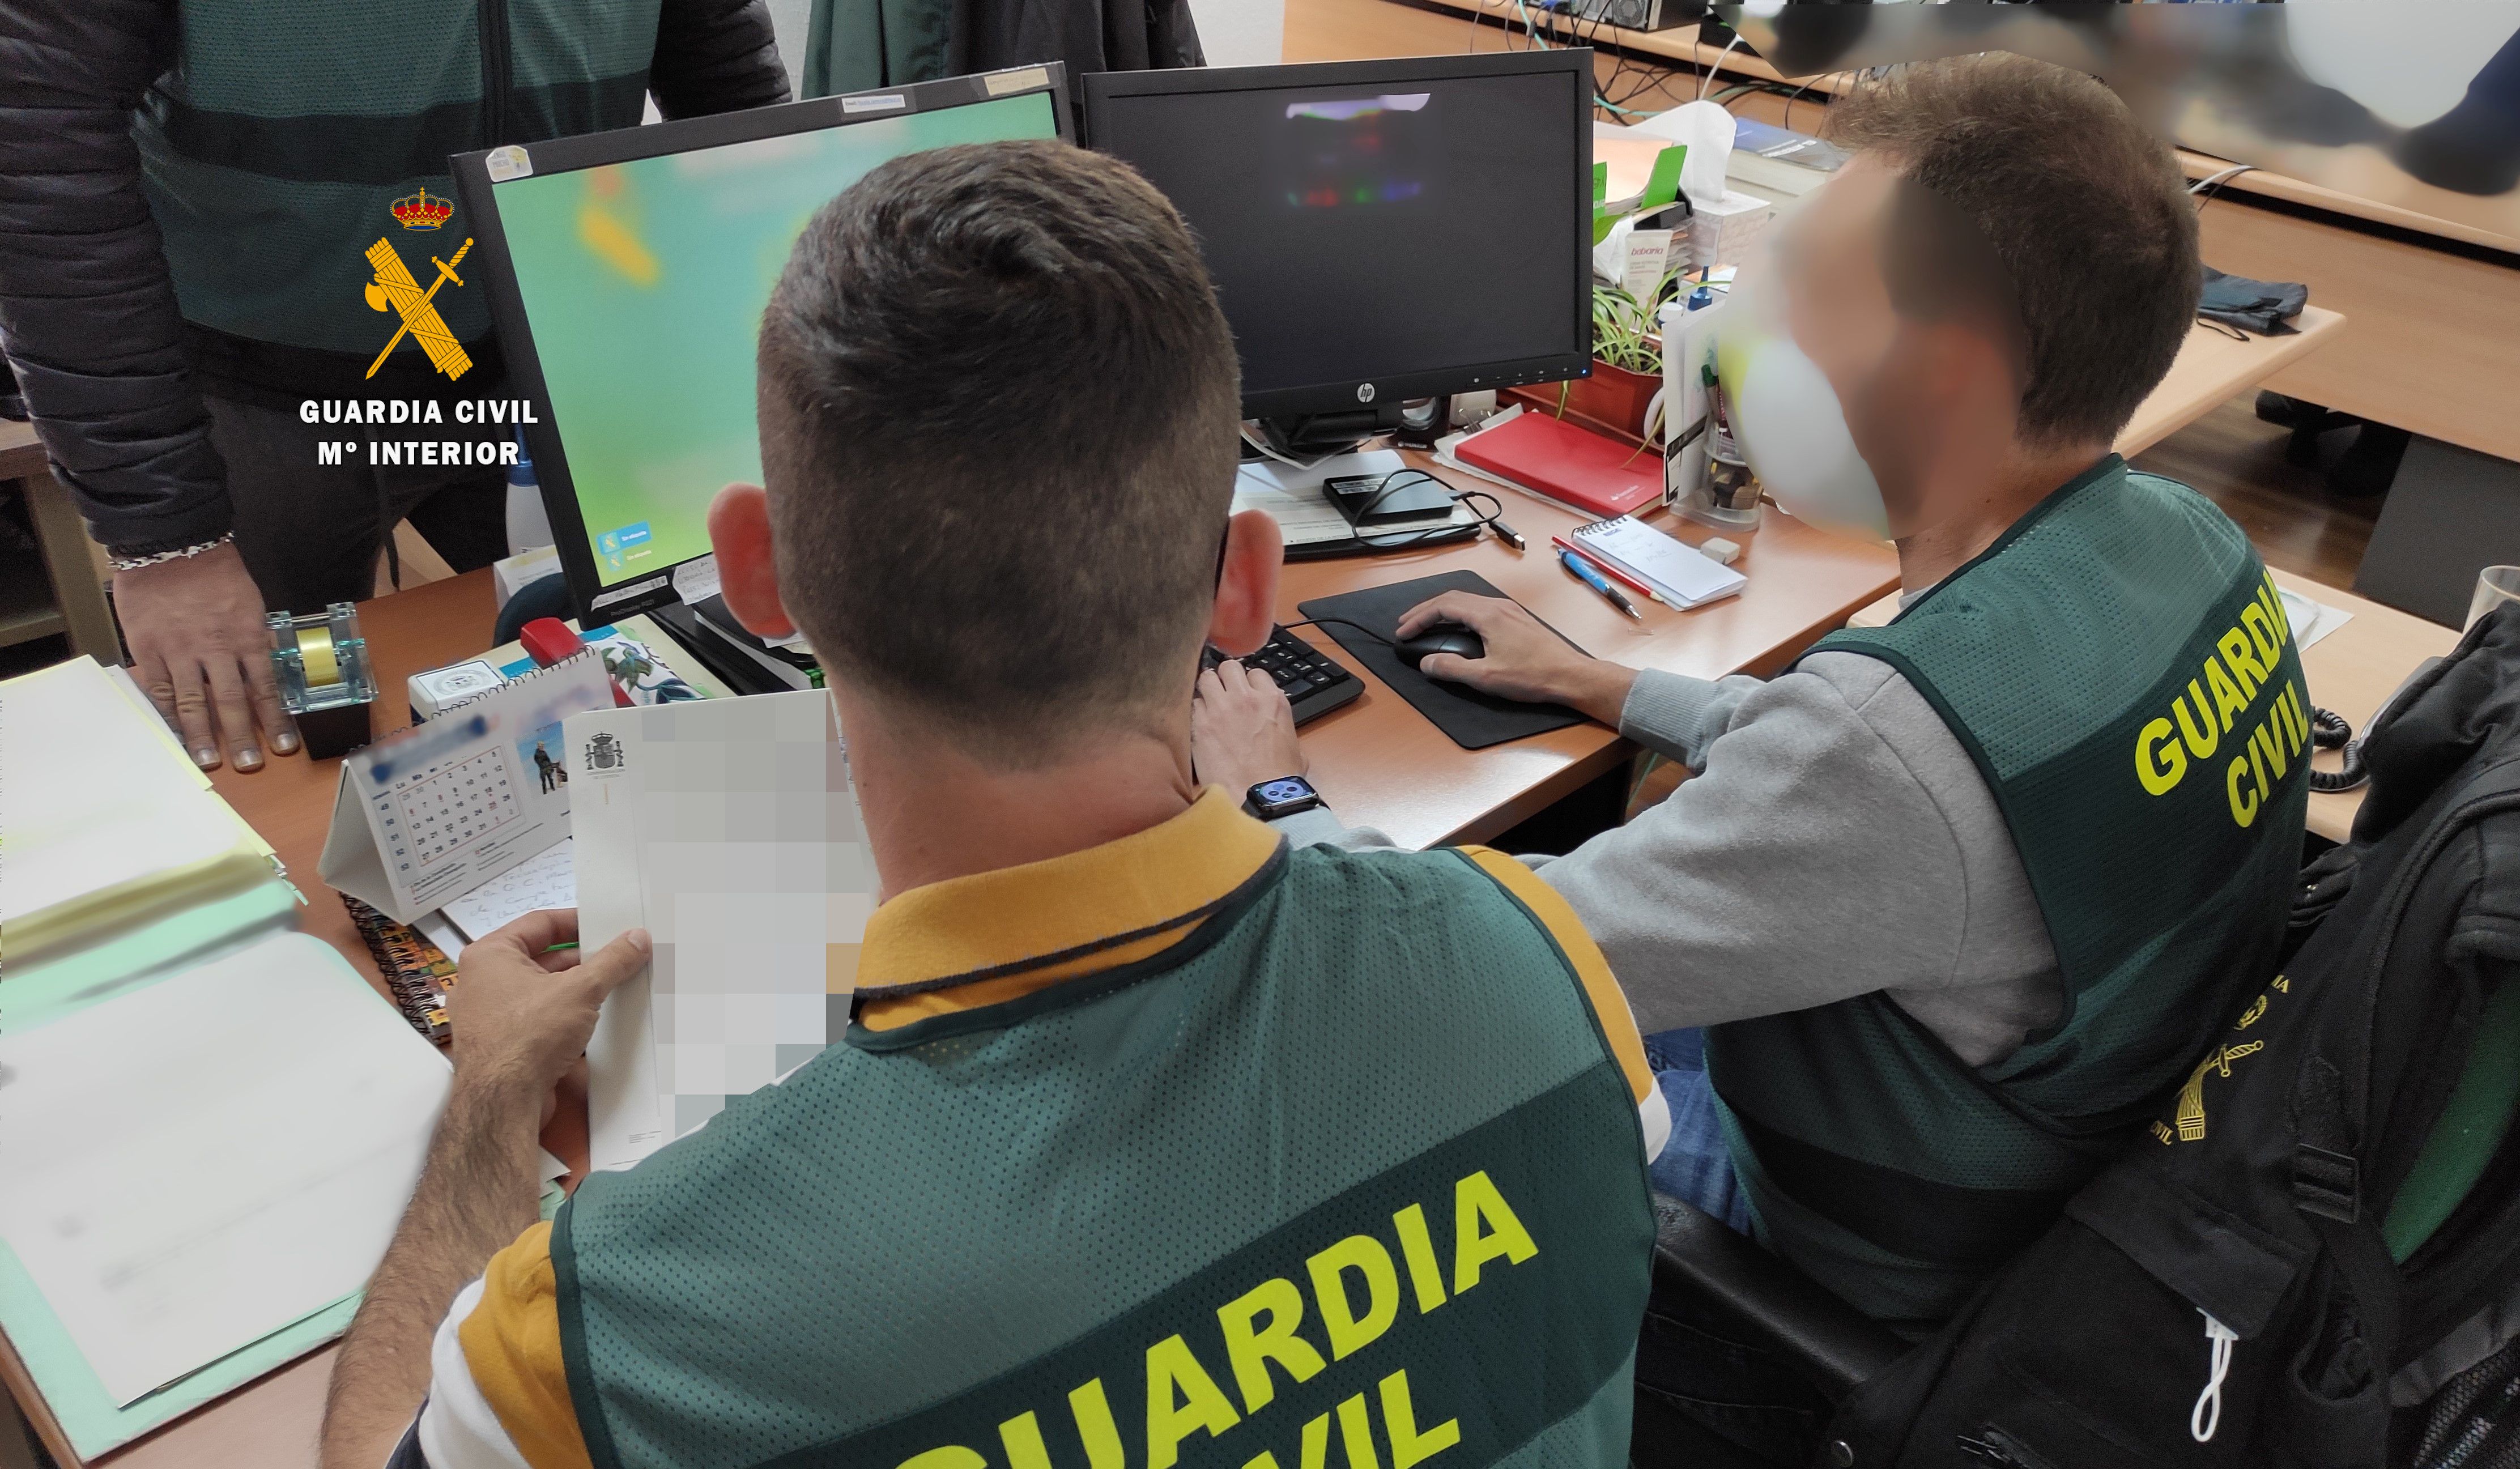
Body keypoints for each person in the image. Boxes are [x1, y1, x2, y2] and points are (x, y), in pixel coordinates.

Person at [316, 141, 1670, 1469]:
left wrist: (489, 1102)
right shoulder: (1543, 962)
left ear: (753, 574)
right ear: (1247, 583)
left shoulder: (611, 1334)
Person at [1195, 54, 2314, 1339]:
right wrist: (1599, 681)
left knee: (1334, 1084)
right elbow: (1917, 794)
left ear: (1946, 370)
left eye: (1800, 303)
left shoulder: (1886, 752)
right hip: (2075, 1162)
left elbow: (1461, 980)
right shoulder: (2187, 542)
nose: (1740, 347)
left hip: (1854, 1257)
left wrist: (1272, 793)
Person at [0, 1, 786, 774]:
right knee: (279, 749)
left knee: (614, 689)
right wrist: (164, 539)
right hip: (258, 391)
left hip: (546, 346)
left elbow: (732, 91)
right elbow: (38, 161)